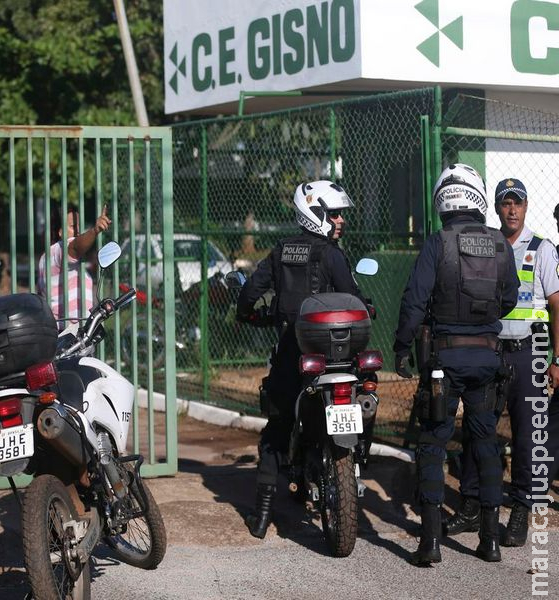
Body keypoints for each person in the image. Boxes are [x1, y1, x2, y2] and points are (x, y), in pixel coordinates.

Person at [394, 164, 519, 566]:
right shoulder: (500, 242)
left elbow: (415, 299)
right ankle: (490, 541)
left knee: (433, 443)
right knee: (485, 445)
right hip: (487, 358)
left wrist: (401, 346)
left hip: (443, 360)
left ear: (442, 199)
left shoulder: (438, 241)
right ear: (478, 195)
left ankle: (430, 543)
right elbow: (511, 297)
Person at [236, 180, 365, 539]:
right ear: (315, 214)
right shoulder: (332, 255)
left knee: (276, 430)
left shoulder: (280, 251)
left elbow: (250, 292)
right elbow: (354, 297)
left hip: (293, 355)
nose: (340, 220)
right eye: (334, 214)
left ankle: (261, 516)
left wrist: (246, 312)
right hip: (333, 358)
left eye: (340, 214)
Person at [444, 178, 559, 548]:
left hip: (529, 353)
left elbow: (557, 305)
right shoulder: (486, 245)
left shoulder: (542, 249)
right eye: (505, 203)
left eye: (518, 203)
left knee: (527, 436)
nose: (511, 210)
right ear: (495, 208)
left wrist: (557, 359)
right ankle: (472, 503)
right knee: (480, 430)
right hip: (489, 351)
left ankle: (522, 507)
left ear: (526, 208)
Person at [38, 204, 111, 322]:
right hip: (68, 331)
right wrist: (95, 230)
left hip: (61, 331)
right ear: (60, 232)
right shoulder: (58, 250)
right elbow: (75, 247)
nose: (78, 231)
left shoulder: (44, 257)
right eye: (73, 226)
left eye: (79, 226)